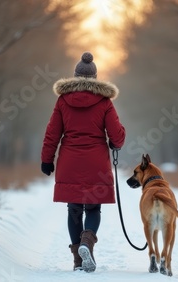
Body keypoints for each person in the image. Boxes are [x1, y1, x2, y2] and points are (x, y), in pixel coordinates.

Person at [41, 52, 125, 272]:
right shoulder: (105, 102)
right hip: (96, 162)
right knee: (93, 208)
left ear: (75, 76)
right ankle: (87, 242)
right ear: (95, 77)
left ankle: (78, 260)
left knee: (74, 209)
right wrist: (116, 142)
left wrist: (46, 160)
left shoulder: (62, 101)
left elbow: (52, 134)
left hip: (69, 160)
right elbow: (117, 135)